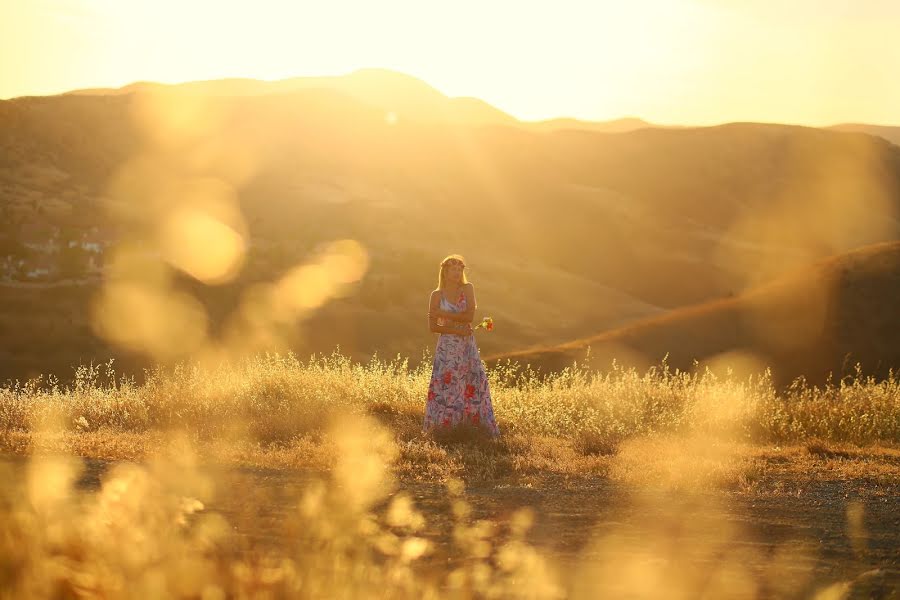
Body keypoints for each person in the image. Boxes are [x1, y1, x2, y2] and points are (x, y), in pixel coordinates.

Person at [423, 255, 500, 436]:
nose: (457, 273)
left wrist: (442, 313)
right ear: (445, 272)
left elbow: (469, 318)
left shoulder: (468, 289)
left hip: (466, 347)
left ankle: (475, 429)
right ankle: (444, 430)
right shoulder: (436, 295)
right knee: (446, 385)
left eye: (460, 270)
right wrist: (458, 330)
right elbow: (433, 327)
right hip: (447, 348)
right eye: (453, 269)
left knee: (472, 381)